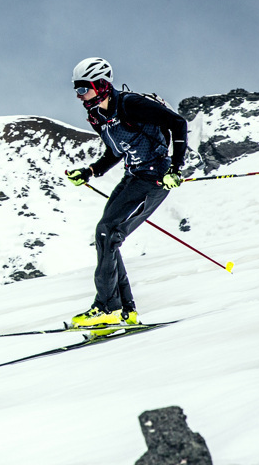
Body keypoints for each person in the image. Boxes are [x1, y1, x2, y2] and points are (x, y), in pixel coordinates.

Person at [65, 57, 188, 333]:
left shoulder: (130, 104)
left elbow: (177, 124)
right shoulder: (98, 116)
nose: (79, 95)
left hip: (155, 177)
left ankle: (108, 308)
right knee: (105, 234)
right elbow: (116, 151)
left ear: (100, 83)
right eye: (76, 90)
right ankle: (125, 311)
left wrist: (176, 169)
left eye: (83, 88)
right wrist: (90, 171)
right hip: (133, 176)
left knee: (108, 233)